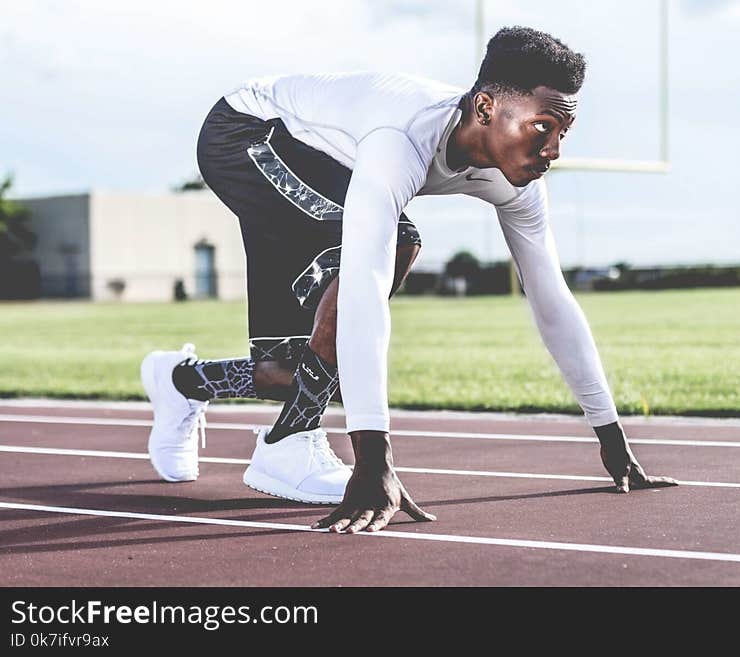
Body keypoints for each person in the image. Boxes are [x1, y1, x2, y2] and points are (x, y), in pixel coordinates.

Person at [141, 26, 677, 535]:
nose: (555, 149)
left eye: (564, 131)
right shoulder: (401, 139)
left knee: (286, 373)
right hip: (247, 134)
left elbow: (551, 299)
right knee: (395, 242)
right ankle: (289, 441)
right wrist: (373, 461)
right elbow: (366, 288)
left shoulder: (518, 183)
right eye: (543, 126)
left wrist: (611, 439)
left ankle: (181, 382)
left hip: (324, 160)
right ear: (486, 107)